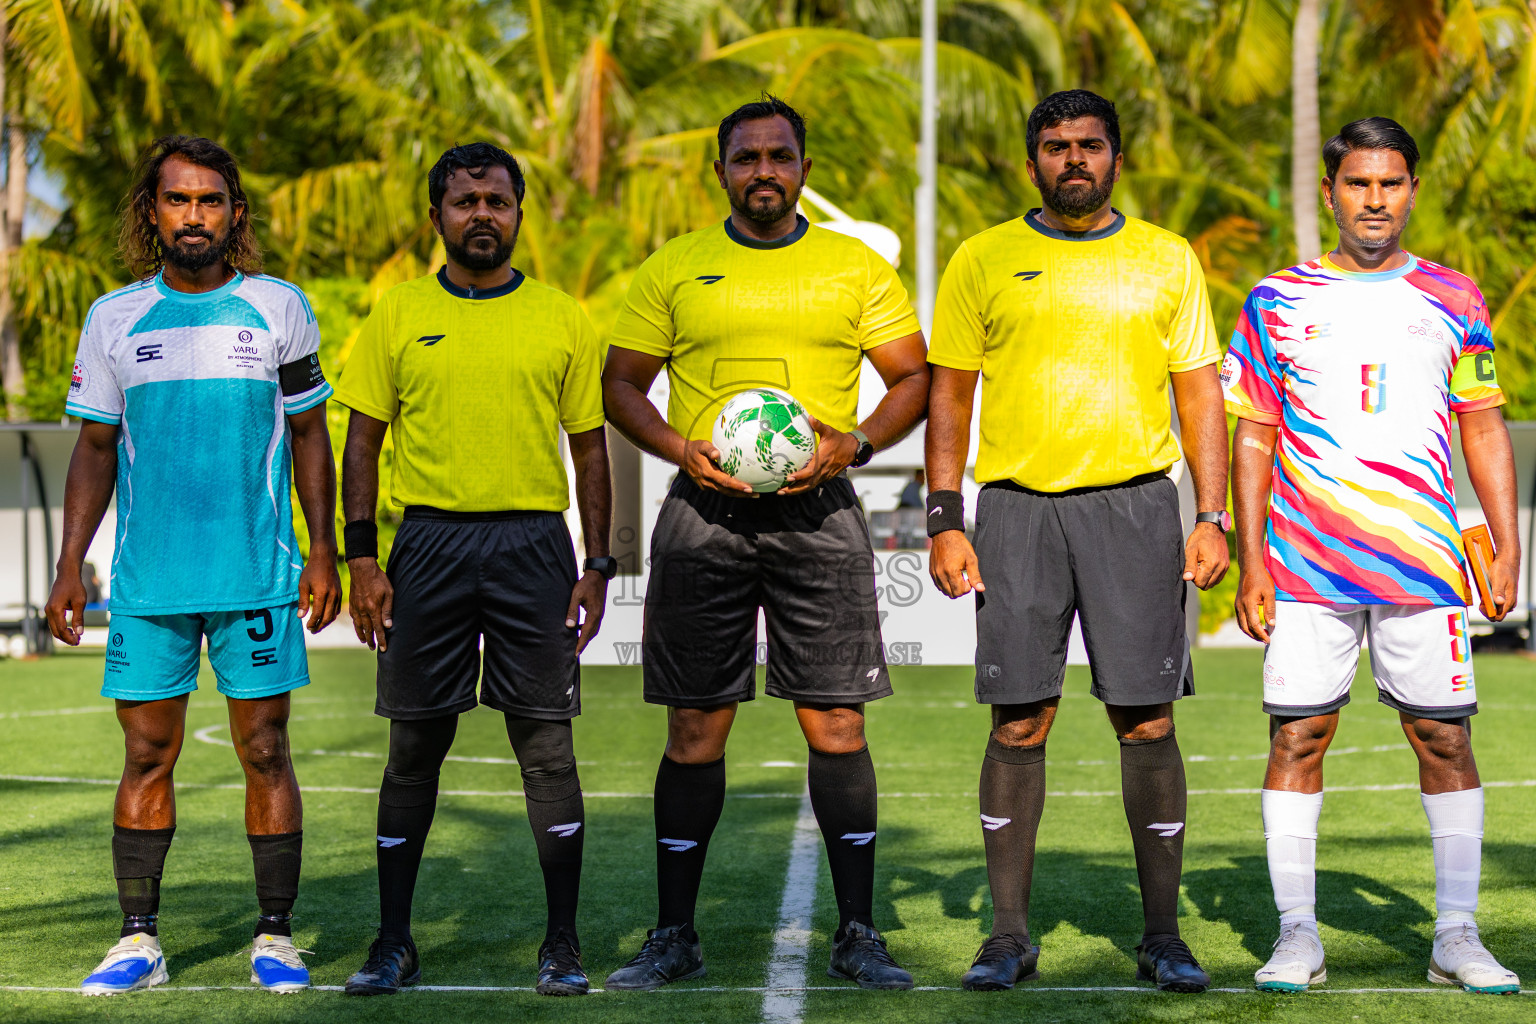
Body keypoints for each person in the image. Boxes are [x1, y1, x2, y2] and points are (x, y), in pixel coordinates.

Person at [601, 96, 930, 991]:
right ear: (721, 171)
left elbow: (912, 379)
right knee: (696, 725)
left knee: (837, 719)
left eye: (779, 156)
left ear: (805, 170)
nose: (763, 173)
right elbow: (622, 385)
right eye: (745, 158)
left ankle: (859, 931)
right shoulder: (676, 267)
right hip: (703, 515)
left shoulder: (855, 267)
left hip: (818, 513)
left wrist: (853, 444)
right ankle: (675, 935)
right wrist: (680, 448)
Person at [926, 89, 1230, 993]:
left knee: (1146, 716)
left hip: (1136, 508)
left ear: (1116, 159)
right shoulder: (983, 258)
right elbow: (950, 394)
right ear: (1031, 163)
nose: (1073, 160)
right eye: (1055, 146)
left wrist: (1209, 514)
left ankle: (1164, 935)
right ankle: (1008, 935)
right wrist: (945, 518)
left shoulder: (1167, 260)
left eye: (1089, 145)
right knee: (1020, 718)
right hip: (1017, 511)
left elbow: (1201, 393)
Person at [1227, 117, 1521, 995]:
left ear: (1412, 191)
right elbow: (1252, 436)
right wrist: (1251, 563)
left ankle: (1457, 937)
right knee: (1300, 734)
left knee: (1443, 737)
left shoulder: (1457, 297)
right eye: (1358, 184)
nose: (1375, 200)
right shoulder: (1277, 297)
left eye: (1390, 184)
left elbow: (1484, 425)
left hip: (1426, 562)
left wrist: (1508, 549)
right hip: (1306, 562)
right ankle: (1296, 937)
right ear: (1330, 193)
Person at [45, 135, 341, 995]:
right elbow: (95, 449)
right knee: (145, 757)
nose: (195, 215)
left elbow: (312, 435)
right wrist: (72, 564)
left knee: (265, 751)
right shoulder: (113, 317)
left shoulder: (280, 307)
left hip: (254, 573)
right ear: (153, 213)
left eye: (211, 200)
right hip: (148, 582)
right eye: (178, 200)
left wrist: (323, 549)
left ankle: (277, 937)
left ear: (235, 213)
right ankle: (138, 940)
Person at [334, 143, 613, 998]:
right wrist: (361, 556)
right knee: (415, 744)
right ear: (438, 217)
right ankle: (392, 943)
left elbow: (590, 451)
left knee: (545, 746)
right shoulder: (397, 312)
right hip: (426, 546)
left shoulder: (563, 316)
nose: (481, 215)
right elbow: (362, 443)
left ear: (519, 212)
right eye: (464, 202)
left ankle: (561, 945)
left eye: (496, 200)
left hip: (534, 545)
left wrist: (597, 563)